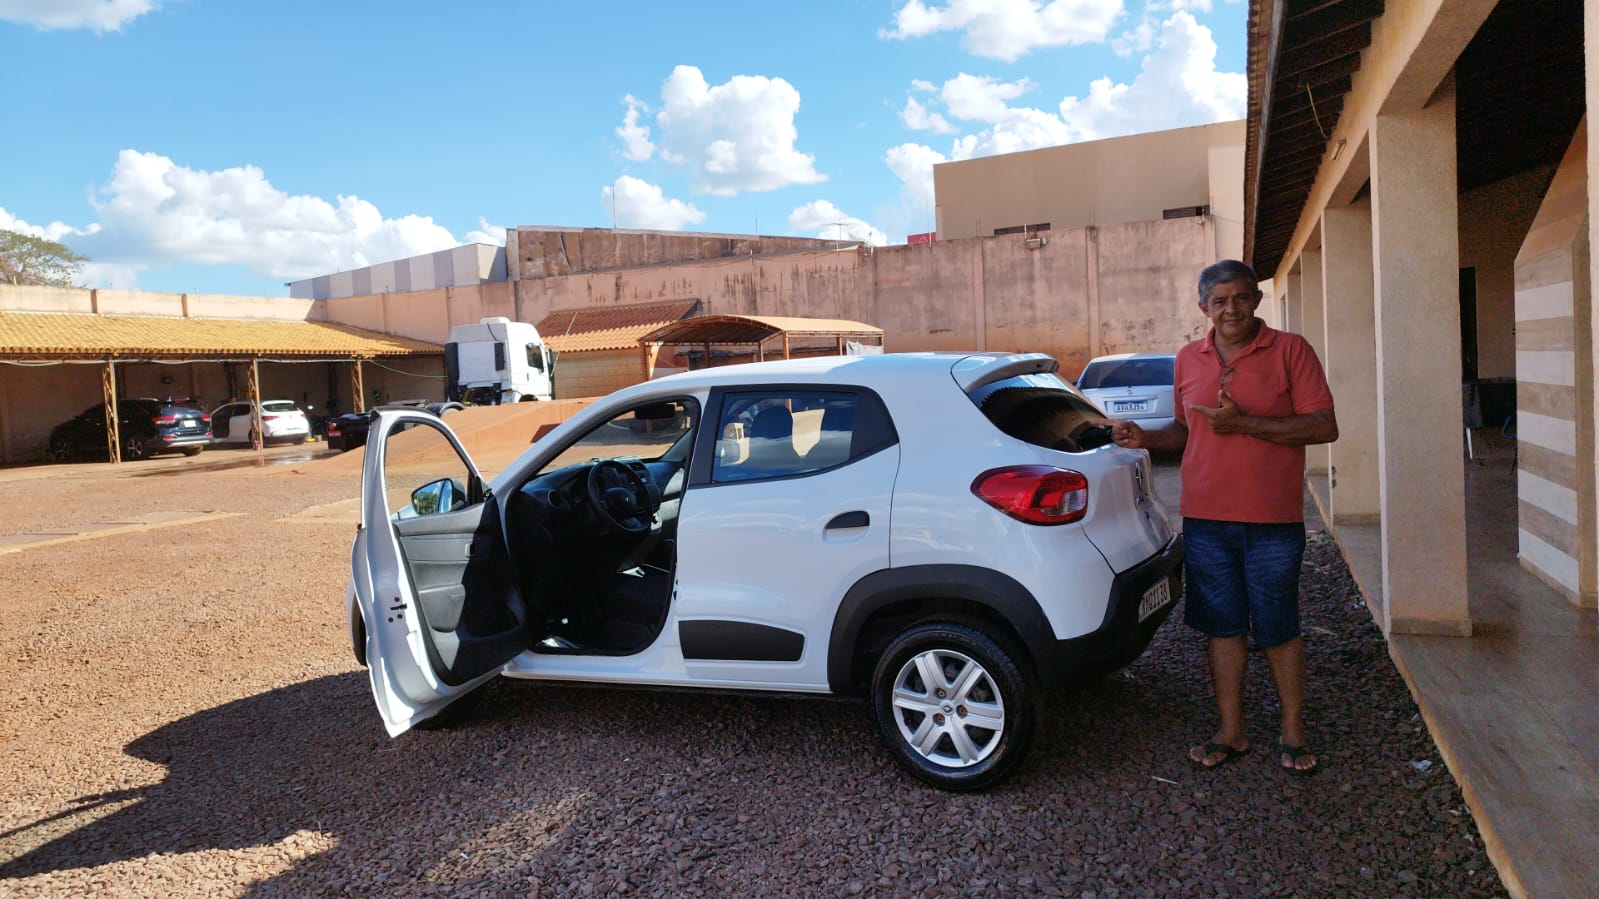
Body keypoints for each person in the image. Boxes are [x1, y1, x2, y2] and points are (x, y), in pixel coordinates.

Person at [1110, 259, 1338, 775]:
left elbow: (1325, 426)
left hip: (1272, 520)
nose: (1230, 308)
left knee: (1279, 627)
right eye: (1219, 300)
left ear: (1256, 300)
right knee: (1223, 628)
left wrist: (1248, 424)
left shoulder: (1290, 350)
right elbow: (1186, 429)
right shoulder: (1188, 358)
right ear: (1203, 307)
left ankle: (1293, 731)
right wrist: (1147, 438)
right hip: (1207, 518)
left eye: (1240, 297)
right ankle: (1231, 731)